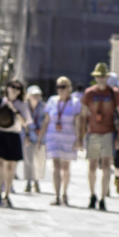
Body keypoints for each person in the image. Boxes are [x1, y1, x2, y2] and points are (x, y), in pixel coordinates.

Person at [79, 63, 119, 211]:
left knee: (106, 167)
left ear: (107, 77)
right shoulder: (89, 93)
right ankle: (92, 194)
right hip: (93, 132)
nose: (100, 78)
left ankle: (103, 197)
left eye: (103, 76)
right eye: (98, 76)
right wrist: (80, 136)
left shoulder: (114, 93)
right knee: (92, 166)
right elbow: (82, 115)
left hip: (108, 132)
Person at [0, 79, 30, 207]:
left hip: (14, 136)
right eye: (12, 86)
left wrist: (14, 109)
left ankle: (7, 195)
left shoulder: (22, 105)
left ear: (20, 91)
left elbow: (24, 123)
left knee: (10, 167)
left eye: (17, 87)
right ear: (7, 87)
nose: (14, 89)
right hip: (0, 135)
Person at [45, 77, 82, 206]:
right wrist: (40, 139)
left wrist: (79, 139)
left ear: (69, 88)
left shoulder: (76, 102)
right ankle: (56, 195)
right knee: (55, 166)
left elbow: (79, 122)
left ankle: (64, 193)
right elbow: (46, 120)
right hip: (53, 137)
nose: (61, 89)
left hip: (68, 138)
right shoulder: (51, 101)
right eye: (59, 86)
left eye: (63, 86)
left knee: (65, 167)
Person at [22, 85, 49, 193]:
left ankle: (36, 181)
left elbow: (45, 123)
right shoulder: (24, 107)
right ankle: (28, 182)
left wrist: (40, 139)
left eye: (37, 95)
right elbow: (23, 123)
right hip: (28, 136)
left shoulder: (44, 107)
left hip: (41, 138)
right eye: (33, 95)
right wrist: (26, 136)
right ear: (28, 96)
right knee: (28, 160)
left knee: (39, 161)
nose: (35, 97)